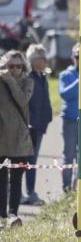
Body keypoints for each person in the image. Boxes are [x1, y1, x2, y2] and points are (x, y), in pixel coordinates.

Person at [0, 50, 34, 228]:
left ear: (23, 67)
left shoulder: (28, 82)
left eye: (17, 66)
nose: (13, 70)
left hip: (20, 141)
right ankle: (1, 216)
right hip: (2, 139)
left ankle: (13, 214)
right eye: (10, 66)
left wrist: (10, 80)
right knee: (1, 181)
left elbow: (22, 101)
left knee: (16, 181)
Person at [21, 44, 52, 205]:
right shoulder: (28, 78)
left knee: (32, 161)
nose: (46, 61)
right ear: (33, 60)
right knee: (25, 161)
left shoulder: (42, 77)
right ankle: (26, 193)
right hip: (30, 127)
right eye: (43, 58)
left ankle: (30, 192)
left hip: (40, 126)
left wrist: (48, 117)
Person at [59, 43, 79, 192]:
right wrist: (80, 81)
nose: (80, 60)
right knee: (69, 155)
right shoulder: (66, 74)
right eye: (78, 56)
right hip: (70, 120)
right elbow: (65, 94)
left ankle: (77, 187)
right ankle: (66, 187)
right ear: (73, 57)